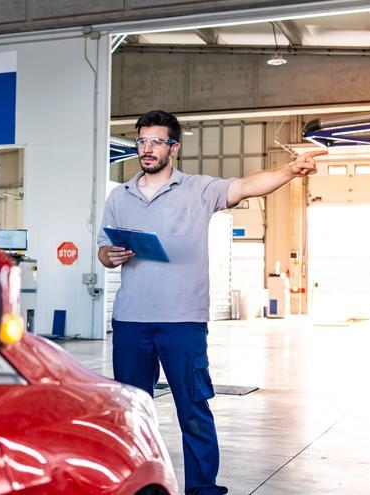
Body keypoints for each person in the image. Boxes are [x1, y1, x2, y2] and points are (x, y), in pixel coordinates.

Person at [97, 110, 324, 495]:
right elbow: (103, 250)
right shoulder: (120, 196)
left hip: (182, 321)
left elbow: (249, 185)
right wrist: (109, 256)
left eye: (156, 141)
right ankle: (137, 485)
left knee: (193, 408)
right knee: (132, 413)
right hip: (130, 320)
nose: (147, 149)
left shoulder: (199, 189)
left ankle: (202, 488)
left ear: (174, 147)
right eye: (142, 141)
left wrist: (289, 171)